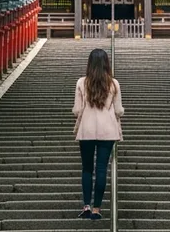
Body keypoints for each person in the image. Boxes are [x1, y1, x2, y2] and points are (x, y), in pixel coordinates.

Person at [72, 48, 123, 221]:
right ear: (106, 64)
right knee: (102, 169)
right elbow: (119, 110)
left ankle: (86, 206)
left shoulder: (81, 82)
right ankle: (97, 209)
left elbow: (77, 110)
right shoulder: (114, 83)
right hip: (108, 131)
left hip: (86, 130)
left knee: (87, 169)